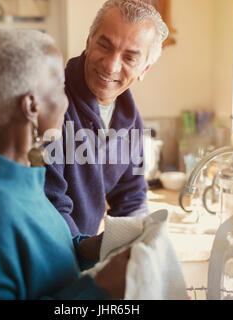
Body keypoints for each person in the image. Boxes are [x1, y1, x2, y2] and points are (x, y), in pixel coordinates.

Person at [0, 29, 130, 300]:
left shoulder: (17, 170)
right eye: (60, 88)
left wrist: (93, 248)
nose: (67, 101)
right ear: (31, 106)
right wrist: (100, 291)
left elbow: (39, 256)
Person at [44, 0, 169, 237]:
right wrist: (86, 254)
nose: (111, 66)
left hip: (80, 255)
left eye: (130, 58)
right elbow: (50, 205)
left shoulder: (129, 119)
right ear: (89, 41)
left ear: (144, 69)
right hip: (48, 257)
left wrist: (136, 241)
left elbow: (131, 197)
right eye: (105, 46)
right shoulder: (51, 104)